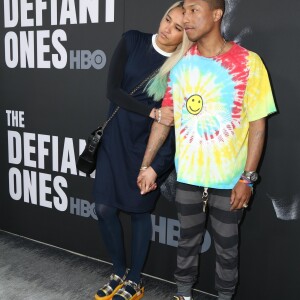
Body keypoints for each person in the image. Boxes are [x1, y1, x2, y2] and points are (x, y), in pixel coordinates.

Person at [137, 0, 277, 299]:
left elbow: (258, 126)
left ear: (217, 14)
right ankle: (183, 294)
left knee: (228, 250)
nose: (186, 18)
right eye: (184, 11)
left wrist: (247, 178)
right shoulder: (181, 63)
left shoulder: (249, 62)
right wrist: (146, 164)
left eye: (193, 10)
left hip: (230, 183)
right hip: (188, 177)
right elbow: (165, 118)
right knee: (186, 241)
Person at [92, 2, 188, 300]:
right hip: (114, 141)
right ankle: (118, 270)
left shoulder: (181, 68)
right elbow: (113, 91)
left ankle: (134, 280)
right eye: (167, 19)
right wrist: (152, 113)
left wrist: (156, 165)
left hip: (146, 148)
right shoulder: (132, 39)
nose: (166, 29)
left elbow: (173, 123)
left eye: (177, 28)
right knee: (103, 209)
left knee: (138, 212)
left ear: (185, 37)